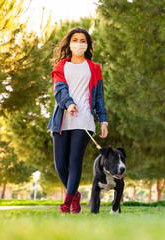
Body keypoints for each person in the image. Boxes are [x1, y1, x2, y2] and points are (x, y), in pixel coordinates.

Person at [47, 27, 108, 214]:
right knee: (60, 165)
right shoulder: (60, 67)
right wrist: (69, 104)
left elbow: (99, 98)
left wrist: (103, 120)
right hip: (63, 119)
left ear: (88, 45)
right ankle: (75, 195)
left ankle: (66, 203)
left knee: (75, 161)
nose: (79, 44)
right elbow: (60, 90)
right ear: (69, 43)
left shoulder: (94, 68)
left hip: (85, 120)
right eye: (75, 40)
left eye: (83, 41)